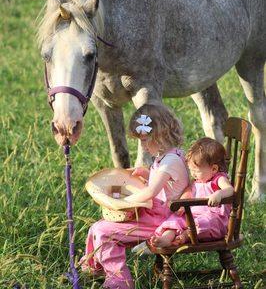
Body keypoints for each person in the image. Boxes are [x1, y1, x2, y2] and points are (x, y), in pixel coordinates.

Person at [80, 103, 189, 289]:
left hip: (162, 222)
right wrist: (146, 173)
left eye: (146, 140)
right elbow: (168, 182)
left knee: (102, 231)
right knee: (96, 227)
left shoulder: (169, 161)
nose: (143, 146)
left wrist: (120, 201)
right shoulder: (169, 156)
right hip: (156, 214)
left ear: (160, 134)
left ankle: (120, 281)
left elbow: (150, 192)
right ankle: (95, 269)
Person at [150, 137, 234, 248]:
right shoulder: (198, 180)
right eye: (191, 170)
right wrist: (182, 202)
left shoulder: (218, 179)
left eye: (196, 171)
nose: (193, 174)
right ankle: (166, 238)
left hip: (214, 218)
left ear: (213, 169)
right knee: (175, 220)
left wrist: (218, 194)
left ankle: (185, 236)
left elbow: (230, 190)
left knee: (204, 223)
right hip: (194, 215)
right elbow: (189, 190)